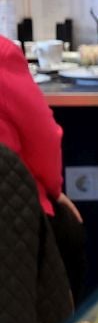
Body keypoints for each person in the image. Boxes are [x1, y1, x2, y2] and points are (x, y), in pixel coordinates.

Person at [0, 38, 84, 295]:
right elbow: (43, 138)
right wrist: (52, 191)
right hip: (11, 215)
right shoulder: (2, 54)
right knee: (70, 233)